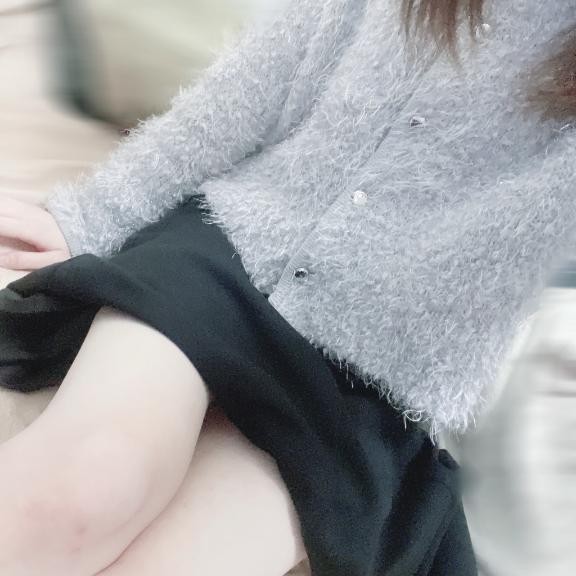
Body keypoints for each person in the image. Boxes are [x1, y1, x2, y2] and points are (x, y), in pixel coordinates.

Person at [0, 0, 574, 574]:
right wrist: (94, 215)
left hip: (369, 384)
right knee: (80, 493)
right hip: (228, 258)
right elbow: (256, 83)